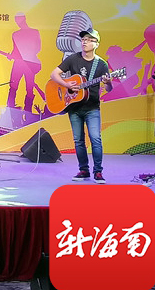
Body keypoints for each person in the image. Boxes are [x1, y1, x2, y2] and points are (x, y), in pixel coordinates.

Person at [49, 29, 115, 183]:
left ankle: (98, 172)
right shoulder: (73, 59)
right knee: (78, 141)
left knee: (95, 139)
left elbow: (109, 89)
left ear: (96, 44)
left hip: (92, 108)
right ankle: (83, 170)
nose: (84, 42)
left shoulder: (101, 64)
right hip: (74, 108)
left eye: (89, 39)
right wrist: (66, 84)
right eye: (83, 39)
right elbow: (54, 74)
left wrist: (108, 82)